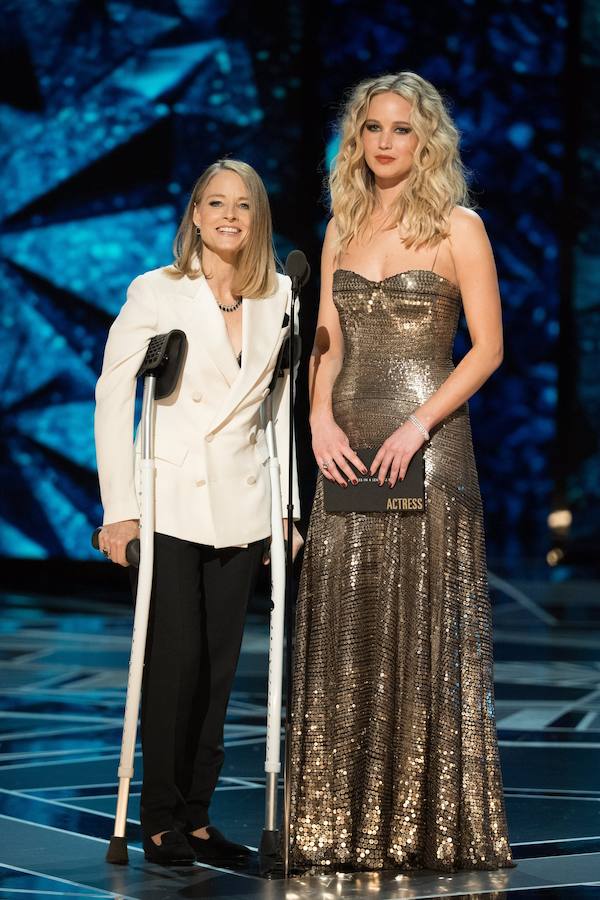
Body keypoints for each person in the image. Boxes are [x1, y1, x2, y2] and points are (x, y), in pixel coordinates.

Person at [289, 73, 513, 872]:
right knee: (350, 620)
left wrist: (419, 424)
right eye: (374, 128)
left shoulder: (459, 226)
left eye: (403, 130)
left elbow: (487, 347)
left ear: (428, 143)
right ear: (357, 140)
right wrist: (316, 418)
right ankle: (337, 824)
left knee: (421, 621)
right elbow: (327, 341)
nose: (386, 142)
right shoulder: (339, 228)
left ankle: (423, 825)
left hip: (429, 437)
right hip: (344, 439)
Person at [95, 159, 302, 865]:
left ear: (257, 218)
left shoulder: (279, 298)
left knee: (220, 668)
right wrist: (118, 510)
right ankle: (157, 818)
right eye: (215, 203)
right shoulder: (156, 291)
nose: (228, 216)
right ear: (195, 214)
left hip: (244, 504)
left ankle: (199, 815)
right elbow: (112, 396)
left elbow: (278, 411)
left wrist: (286, 508)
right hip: (171, 504)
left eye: (242, 205)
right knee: (174, 661)